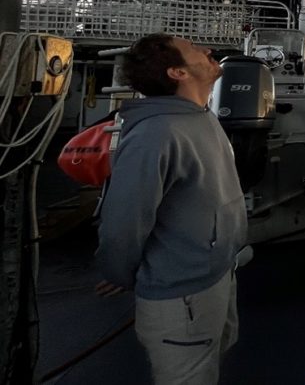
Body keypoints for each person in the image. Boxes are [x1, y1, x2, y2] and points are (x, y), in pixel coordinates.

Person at [96, 33, 246, 384]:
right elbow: (123, 222)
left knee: (212, 360)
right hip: (181, 296)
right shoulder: (156, 133)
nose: (207, 51)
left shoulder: (201, 116)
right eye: (194, 49)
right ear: (177, 71)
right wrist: (118, 271)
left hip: (217, 274)